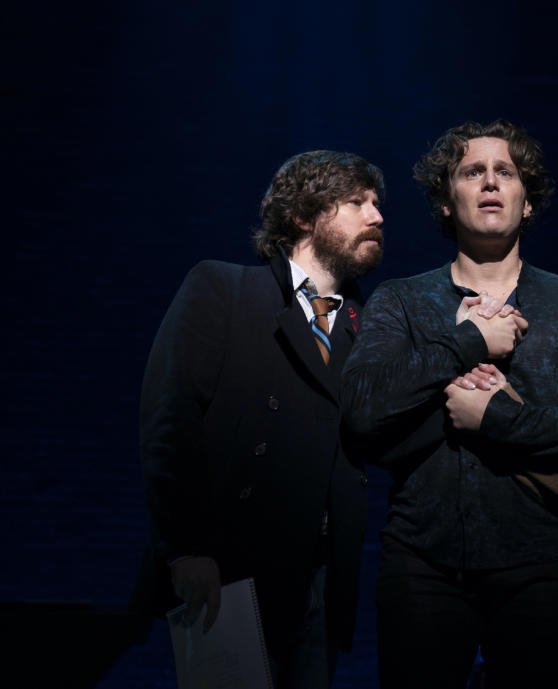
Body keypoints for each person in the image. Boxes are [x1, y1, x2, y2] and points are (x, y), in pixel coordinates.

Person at [340, 119, 558, 689]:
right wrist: (468, 341)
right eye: (473, 172)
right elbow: (361, 410)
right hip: (421, 562)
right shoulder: (401, 299)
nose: (491, 183)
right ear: (448, 202)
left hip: (542, 563)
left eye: (506, 172)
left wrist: (497, 416)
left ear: (527, 203)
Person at [133, 150, 384, 688]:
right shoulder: (225, 289)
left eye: (377, 203)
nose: (377, 216)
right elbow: (171, 424)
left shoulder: (372, 324)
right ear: (302, 216)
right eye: (356, 202)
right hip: (229, 569)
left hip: (322, 575)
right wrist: (186, 548)